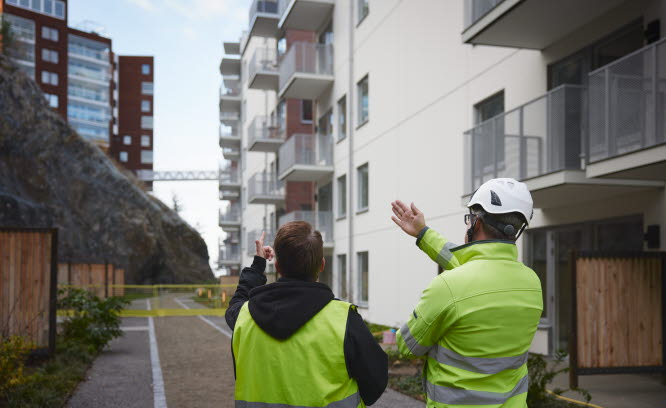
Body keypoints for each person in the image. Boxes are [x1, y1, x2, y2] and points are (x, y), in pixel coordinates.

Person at [390, 178, 543, 407]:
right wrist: (423, 233)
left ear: (477, 223)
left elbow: (408, 345)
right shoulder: (532, 283)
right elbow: (478, 267)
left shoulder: (449, 286)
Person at [225, 221, 388, 407]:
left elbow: (236, 303)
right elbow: (375, 379)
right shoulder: (344, 319)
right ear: (322, 265)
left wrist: (257, 265)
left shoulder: (244, 316)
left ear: (277, 266)